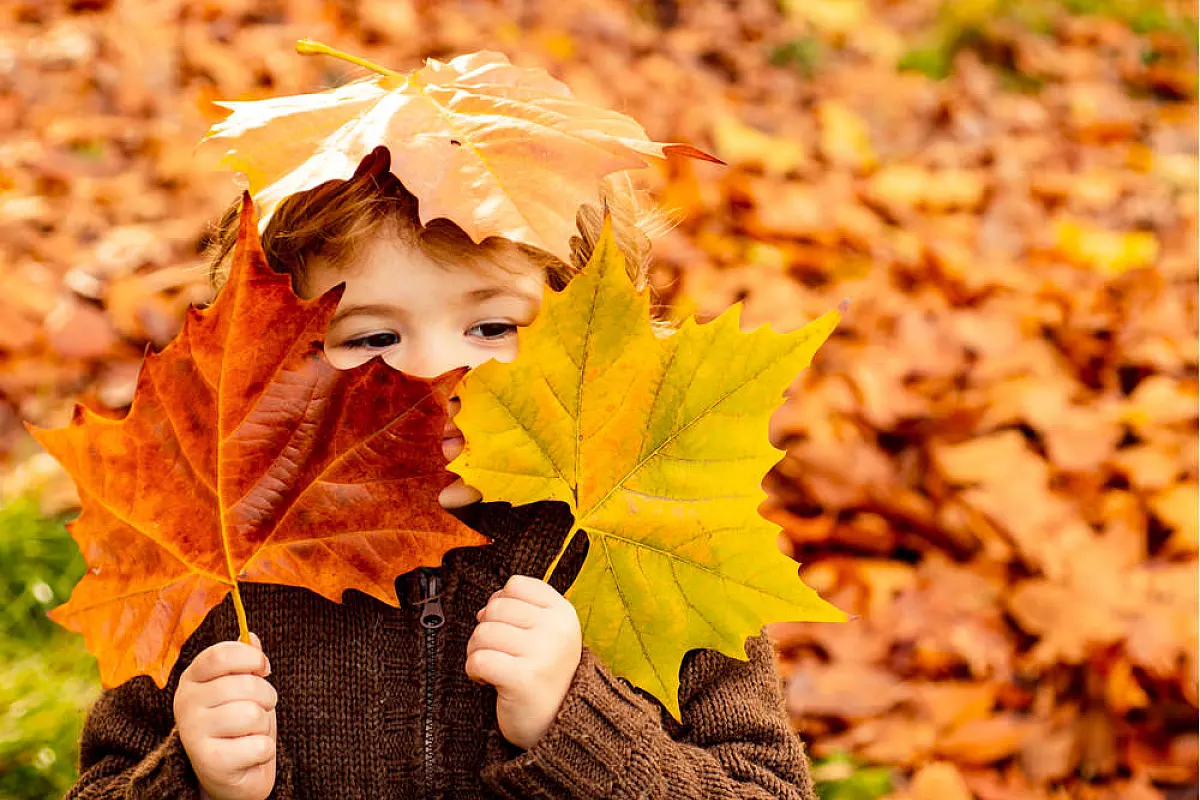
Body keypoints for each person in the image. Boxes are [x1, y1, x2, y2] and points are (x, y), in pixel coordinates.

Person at [65, 137, 820, 799]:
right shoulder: (224, 564)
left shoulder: (655, 545)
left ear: (595, 342)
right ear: (274, 364)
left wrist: (577, 726)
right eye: (369, 337)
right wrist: (191, 780)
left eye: (492, 326)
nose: (432, 375)